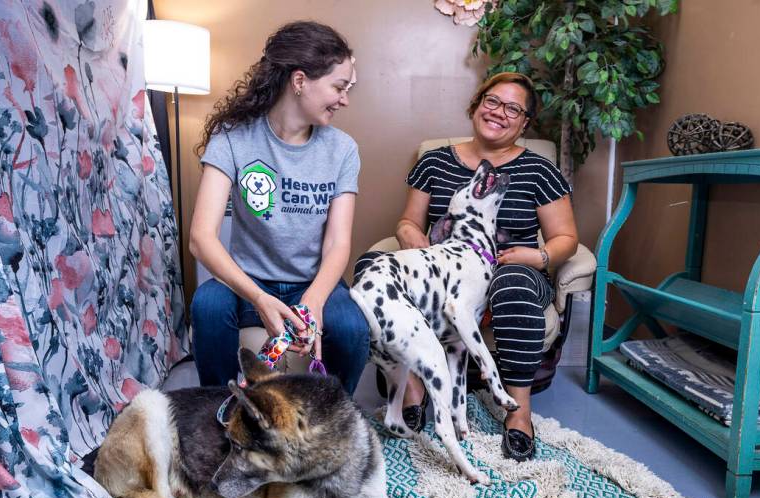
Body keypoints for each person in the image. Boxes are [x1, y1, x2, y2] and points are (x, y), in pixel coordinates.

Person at [364, 72, 579, 461]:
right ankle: (413, 390)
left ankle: (519, 415)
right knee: (372, 264)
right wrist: (411, 236)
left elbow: (566, 238)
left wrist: (539, 256)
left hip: (514, 271)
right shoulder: (434, 162)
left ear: (525, 122)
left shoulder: (539, 170)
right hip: (443, 275)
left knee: (511, 283)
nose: (499, 112)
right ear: (477, 105)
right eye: (492, 101)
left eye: (513, 108)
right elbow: (407, 221)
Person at [188, 21, 369, 395]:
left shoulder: (343, 149)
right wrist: (258, 297)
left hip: (312, 281)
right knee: (207, 304)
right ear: (300, 80)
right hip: (247, 282)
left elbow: (337, 243)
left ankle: (332, 421)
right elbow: (201, 239)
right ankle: (221, 414)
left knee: (351, 328)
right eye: (339, 87)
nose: (345, 100)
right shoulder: (232, 139)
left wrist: (314, 302)